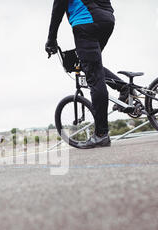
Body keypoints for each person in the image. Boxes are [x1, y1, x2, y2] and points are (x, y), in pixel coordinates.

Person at [45, 0, 129, 148]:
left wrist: (51, 40)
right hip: (107, 21)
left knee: (94, 76)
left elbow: (58, 8)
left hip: (86, 22)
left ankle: (101, 135)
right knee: (91, 66)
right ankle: (124, 88)